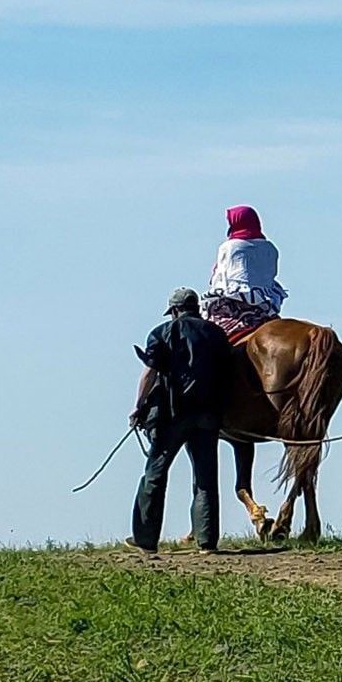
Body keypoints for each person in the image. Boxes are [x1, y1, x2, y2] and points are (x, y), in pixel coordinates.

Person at [130, 289, 231, 554]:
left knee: (155, 474)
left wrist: (138, 407)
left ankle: (146, 539)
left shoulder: (162, 332)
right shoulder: (216, 334)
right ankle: (207, 543)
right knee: (206, 478)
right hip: (208, 414)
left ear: (174, 310)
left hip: (171, 415)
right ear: (196, 308)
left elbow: (149, 373)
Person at [202, 205, 287, 339]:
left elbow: (222, 277)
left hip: (234, 302)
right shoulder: (271, 247)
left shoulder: (230, 246)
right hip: (264, 304)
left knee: (207, 336)